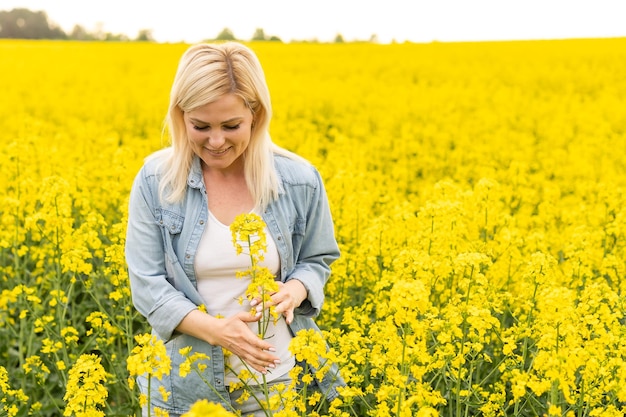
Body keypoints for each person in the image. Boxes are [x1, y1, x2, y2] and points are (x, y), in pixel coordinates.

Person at [125, 41, 343, 416]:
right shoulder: (156, 181)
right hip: (182, 390)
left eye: (231, 126)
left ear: (256, 115)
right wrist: (217, 331)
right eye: (200, 126)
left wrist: (294, 289)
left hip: (275, 384)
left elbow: (317, 259)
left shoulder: (298, 180)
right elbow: (147, 284)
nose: (216, 141)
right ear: (180, 117)